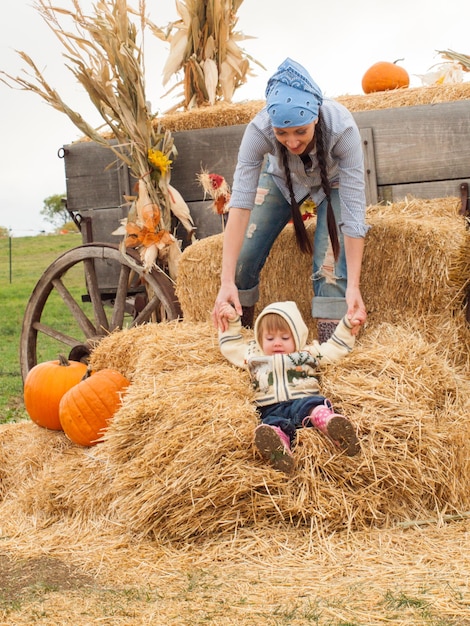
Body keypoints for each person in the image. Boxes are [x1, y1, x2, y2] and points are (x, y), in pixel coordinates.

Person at [212, 57, 369, 343]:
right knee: (243, 258)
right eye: (282, 133)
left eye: (301, 131)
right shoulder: (258, 131)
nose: (292, 142)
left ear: (316, 118)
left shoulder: (342, 129)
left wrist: (354, 286)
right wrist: (226, 282)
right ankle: (239, 338)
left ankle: (330, 350)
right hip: (281, 180)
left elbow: (354, 216)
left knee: (330, 269)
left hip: (332, 184)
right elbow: (241, 204)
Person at [218, 300, 360, 474]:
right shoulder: (254, 356)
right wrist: (232, 322)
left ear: (297, 337)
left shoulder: (307, 353)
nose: (277, 343)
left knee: (313, 406)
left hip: (303, 398)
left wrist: (347, 325)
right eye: (269, 338)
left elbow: (335, 348)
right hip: (271, 407)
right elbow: (231, 347)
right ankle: (279, 449)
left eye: (285, 338)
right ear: (260, 339)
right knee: (270, 425)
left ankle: (329, 423)